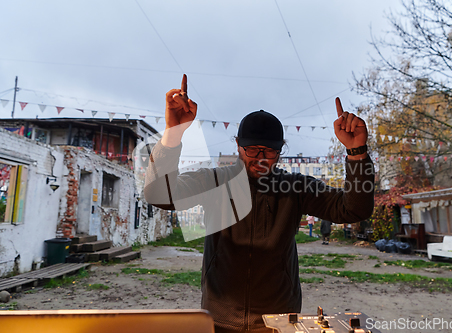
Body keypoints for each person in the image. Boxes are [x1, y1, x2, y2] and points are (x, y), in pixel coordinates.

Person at [144, 75, 375, 333]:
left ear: (281, 150)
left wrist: (357, 153)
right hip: (220, 319)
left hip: (278, 321)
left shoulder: (295, 187)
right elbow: (158, 195)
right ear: (238, 146)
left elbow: (353, 208)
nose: (261, 159)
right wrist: (173, 133)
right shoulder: (214, 181)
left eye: (270, 151)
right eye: (252, 149)